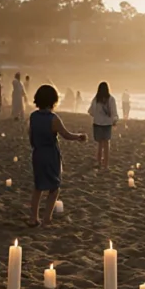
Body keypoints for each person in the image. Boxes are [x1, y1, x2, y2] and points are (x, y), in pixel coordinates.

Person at [28, 85, 87, 227]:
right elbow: (66, 135)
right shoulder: (53, 119)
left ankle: (33, 218)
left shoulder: (33, 116)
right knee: (54, 187)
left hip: (37, 153)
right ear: (53, 100)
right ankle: (47, 218)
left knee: (38, 187)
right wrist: (79, 136)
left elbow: (30, 135)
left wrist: (36, 146)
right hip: (50, 154)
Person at [87, 81, 119, 169]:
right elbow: (114, 112)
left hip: (97, 123)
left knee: (100, 145)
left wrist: (98, 116)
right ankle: (106, 164)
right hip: (107, 124)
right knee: (106, 144)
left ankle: (99, 162)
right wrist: (114, 121)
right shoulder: (111, 99)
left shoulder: (96, 99)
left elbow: (91, 111)